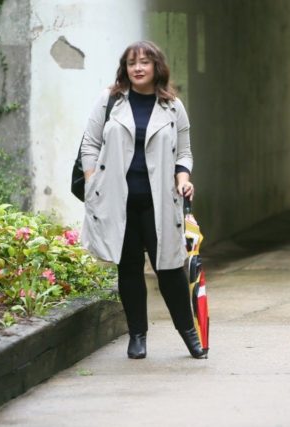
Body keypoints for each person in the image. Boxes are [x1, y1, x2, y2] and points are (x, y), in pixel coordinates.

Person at [80, 41, 206, 359]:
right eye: (132, 62)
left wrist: (183, 180)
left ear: (156, 67)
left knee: (170, 268)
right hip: (118, 201)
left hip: (159, 201)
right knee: (130, 268)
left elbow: (185, 152)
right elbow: (90, 143)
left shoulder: (173, 106)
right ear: (125, 67)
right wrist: (94, 182)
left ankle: (189, 334)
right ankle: (137, 336)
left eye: (145, 62)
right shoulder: (109, 100)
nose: (138, 68)